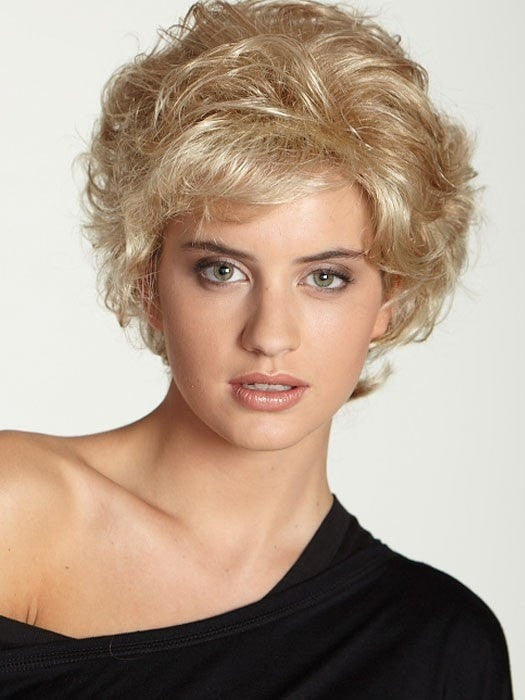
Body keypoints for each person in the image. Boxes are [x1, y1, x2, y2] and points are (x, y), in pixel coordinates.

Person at [0, 0, 514, 696]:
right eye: (222, 271)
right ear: (147, 281)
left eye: (325, 278)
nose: (269, 335)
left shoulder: (435, 645)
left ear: (389, 301)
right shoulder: (17, 510)